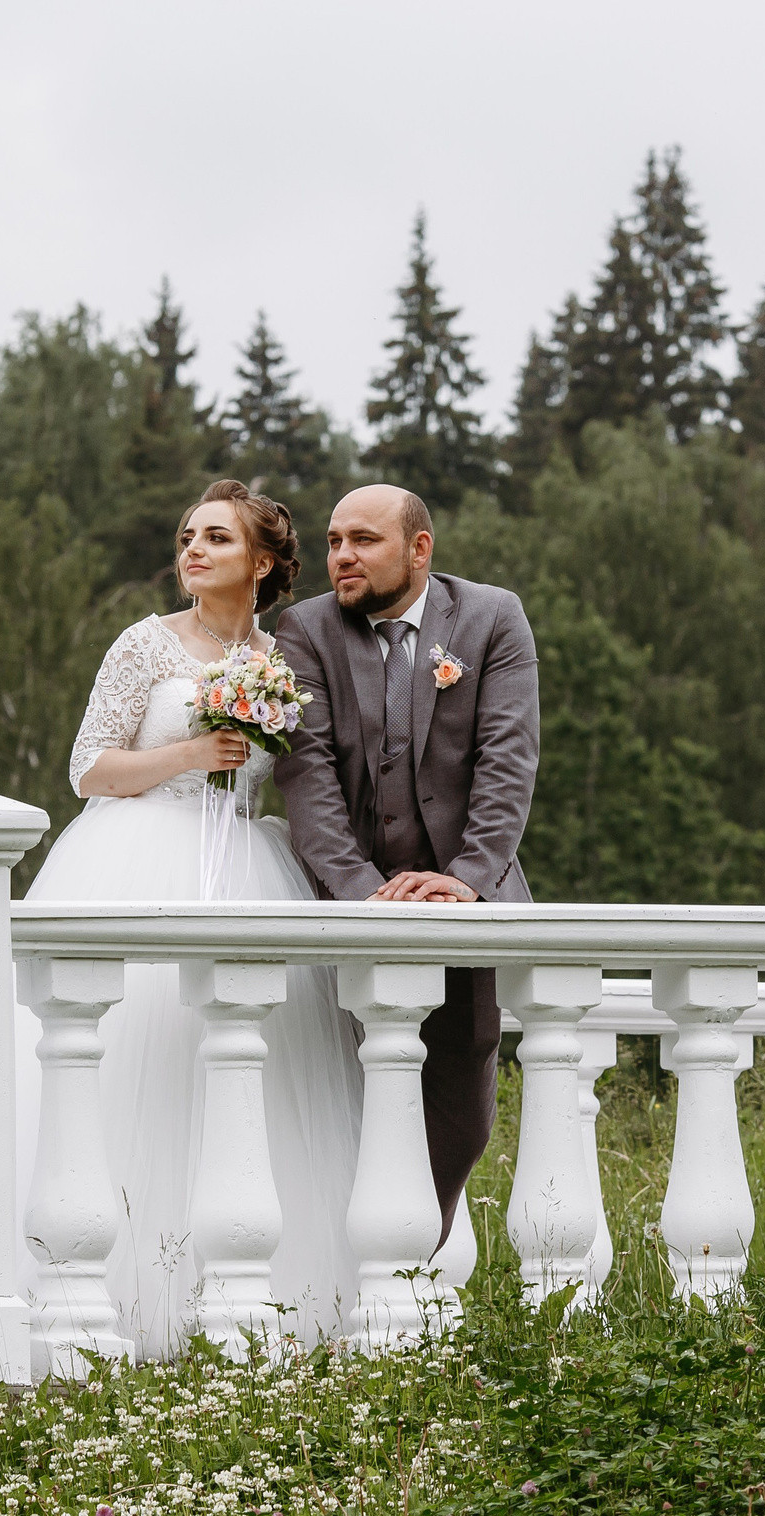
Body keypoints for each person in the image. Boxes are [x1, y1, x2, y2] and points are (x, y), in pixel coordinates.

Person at [19, 479, 363, 1356]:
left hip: (245, 867)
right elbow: (88, 768)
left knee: (248, 1075)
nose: (193, 550)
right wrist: (188, 752)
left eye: (216, 538)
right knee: (136, 1059)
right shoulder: (145, 644)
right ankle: (118, 1299)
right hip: (136, 861)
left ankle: (266, 1304)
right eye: (186, 537)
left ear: (263, 562)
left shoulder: (285, 660)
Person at [273, 484, 541, 1249]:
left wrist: (467, 878)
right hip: (344, 905)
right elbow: (307, 779)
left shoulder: (492, 617)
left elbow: (508, 758)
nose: (342, 556)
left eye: (363, 539)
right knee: (340, 1100)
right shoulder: (306, 629)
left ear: (419, 549)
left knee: (462, 1108)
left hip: (466, 902)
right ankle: (351, 1279)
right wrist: (369, 896)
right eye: (334, 541)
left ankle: (409, 1270)